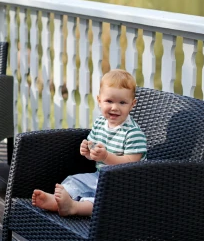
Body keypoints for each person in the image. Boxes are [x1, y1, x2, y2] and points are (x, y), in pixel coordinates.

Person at [32, 69, 147, 216]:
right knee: (75, 181)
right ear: (99, 101)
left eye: (122, 103)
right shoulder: (100, 123)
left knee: (105, 199)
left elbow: (131, 163)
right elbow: (94, 153)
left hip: (125, 185)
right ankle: (56, 202)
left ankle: (74, 207)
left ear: (132, 104)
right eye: (109, 101)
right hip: (100, 177)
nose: (114, 107)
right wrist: (88, 152)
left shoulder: (133, 133)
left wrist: (105, 157)